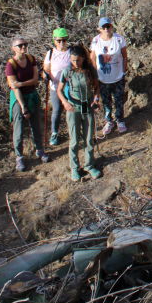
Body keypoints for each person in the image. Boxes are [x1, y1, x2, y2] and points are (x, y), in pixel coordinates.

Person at [57, 45, 103, 181]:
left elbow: (96, 87)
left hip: (86, 105)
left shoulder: (90, 71)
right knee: (74, 140)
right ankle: (75, 168)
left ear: (83, 58)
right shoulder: (67, 72)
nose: (75, 63)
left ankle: (89, 165)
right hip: (73, 106)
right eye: (72, 60)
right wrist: (65, 103)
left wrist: (96, 98)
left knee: (88, 138)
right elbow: (59, 90)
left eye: (77, 60)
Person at [5, 37, 49, 172]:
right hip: (18, 98)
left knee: (36, 124)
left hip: (32, 95)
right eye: (20, 45)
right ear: (13, 48)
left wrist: (22, 83)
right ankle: (19, 156)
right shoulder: (11, 65)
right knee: (18, 128)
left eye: (25, 44)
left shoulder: (31, 59)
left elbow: (35, 80)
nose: (23, 47)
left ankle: (40, 149)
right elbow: (14, 87)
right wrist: (23, 106)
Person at [89, 17, 129, 136]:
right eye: (103, 27)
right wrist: (95, 73)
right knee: (106, 101)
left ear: (112, 26)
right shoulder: (96, 41)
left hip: (117, 77)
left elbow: (124, 55)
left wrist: (124, 70)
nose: (106, 29)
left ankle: (120, 120)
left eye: (108, 26)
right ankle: (109, 121)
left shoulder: (119, 39)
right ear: (99, 29)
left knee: (119, 100)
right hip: (103, 78)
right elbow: (92, 57)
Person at [42, 27, 72, 147]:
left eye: (64, 40)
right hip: (55, 86)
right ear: (54, 40)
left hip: (70, 86)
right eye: (59, 40)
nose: (61, 43)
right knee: (57, 110)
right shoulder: (50, 53)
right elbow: (45, 69)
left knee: (73, 108)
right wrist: (45, 74)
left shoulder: (71, 51)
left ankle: (77, 130)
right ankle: (54, 133)